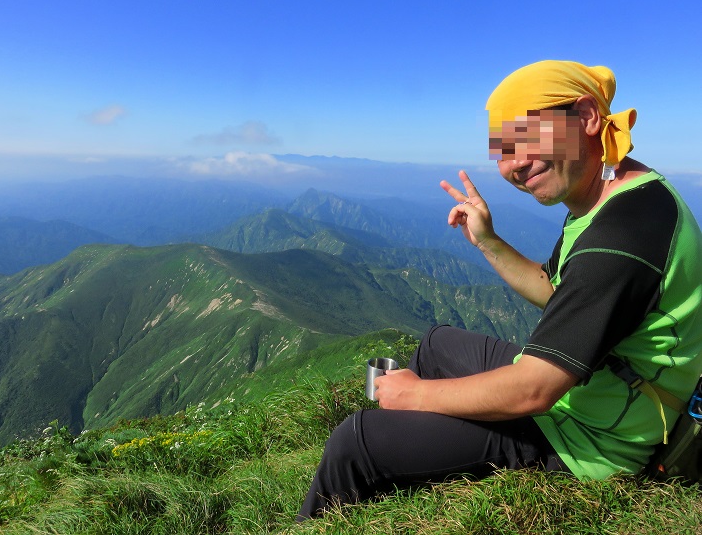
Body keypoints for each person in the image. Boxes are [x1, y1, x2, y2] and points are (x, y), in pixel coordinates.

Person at [296, 60, 702, 521]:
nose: (512, 166)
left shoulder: (624, 236)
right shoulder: (613, 198)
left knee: (356, 439)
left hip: (591, 440)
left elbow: (534, 390)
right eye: (503, 149)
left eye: (527, 139)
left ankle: (355, 480)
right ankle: (407, 454)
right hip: (592, 394)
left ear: (588, 117)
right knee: (435, 344)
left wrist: (415, 396)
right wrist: (489, 242)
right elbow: (559, 290)